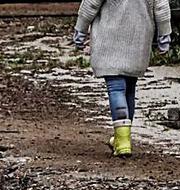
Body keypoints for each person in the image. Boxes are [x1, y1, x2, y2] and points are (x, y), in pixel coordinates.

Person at [73, 0, 172, 157]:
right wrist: (164, 35)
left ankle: (123, 140)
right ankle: (123, 138)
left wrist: (81, 28)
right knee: (129, 90)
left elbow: (91, 3)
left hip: (109, 38)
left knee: (116, 88)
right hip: (138, 38)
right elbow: (161, 6)